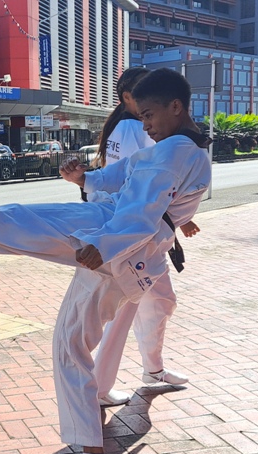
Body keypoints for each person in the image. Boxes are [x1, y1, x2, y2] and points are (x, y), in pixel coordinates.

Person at [0, 68, 211, 454]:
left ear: (176, 107)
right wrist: (86, 178)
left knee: (15, 235)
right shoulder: (178, 148)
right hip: (114, 239)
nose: (146, 124)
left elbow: (142, 214)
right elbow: (124, 174)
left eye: (150, 115)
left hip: (118, 249)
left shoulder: (175, 152)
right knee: (9, 222)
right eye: (141, 116)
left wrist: (102, 246)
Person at [87, 67, 191, 410]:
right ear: (129, 99)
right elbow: (145, 182)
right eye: (142, 105)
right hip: (134, 234)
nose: (149, 121)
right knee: (127, 308)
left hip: (140, 231)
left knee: (158, 301)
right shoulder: (135, 127)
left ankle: (153, 369)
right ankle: (101, 388)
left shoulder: (121, 126)